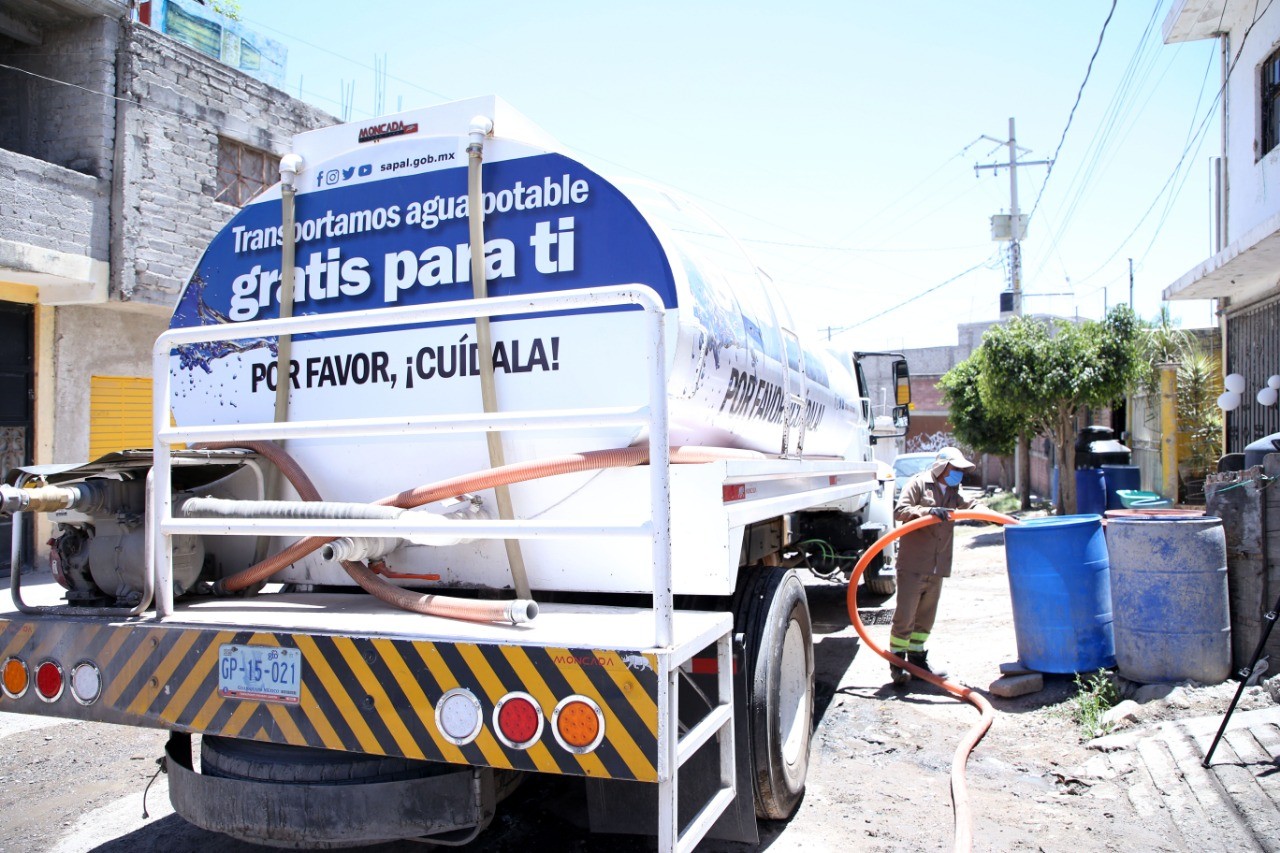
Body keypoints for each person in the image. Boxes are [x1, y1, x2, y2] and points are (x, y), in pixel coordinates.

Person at [888, 446, 976, 686]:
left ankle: (917, 661)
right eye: (955, 468)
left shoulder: (954, 490)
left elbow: (970, 504)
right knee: (905, 615)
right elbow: (900, 511)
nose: (958, 473)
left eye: (960, 470)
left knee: (926, 617)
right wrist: (927, 511)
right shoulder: (918, 484)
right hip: (914, 563)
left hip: (938, 564)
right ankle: (897, 664)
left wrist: (986, 512)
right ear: (942, 466)